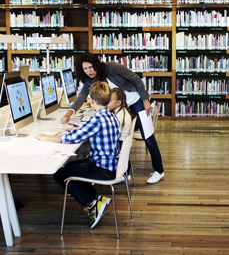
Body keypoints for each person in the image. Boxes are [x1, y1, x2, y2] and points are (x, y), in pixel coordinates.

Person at [60, 53, 164, 184]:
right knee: (117, 137)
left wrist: (145, 100)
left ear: (96, 65)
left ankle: (159, 170)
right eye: (85, 69)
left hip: (135, 100)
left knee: (148, 136)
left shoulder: (112, 67)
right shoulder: (89, 80)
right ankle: (123, 172)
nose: (89, 71)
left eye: (91, 67)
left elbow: (135, 78)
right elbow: (81, 96)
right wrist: (69, 113)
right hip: (119, 107)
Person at [36, 82, 120, 229]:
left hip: (102, 169)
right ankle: (96, 200)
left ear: (92, 101)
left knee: (59, 175)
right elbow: (88, 131)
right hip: (110, 165)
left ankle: (91, 203)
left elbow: (71, 139)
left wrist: (45, 137)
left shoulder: (97, 119)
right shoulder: (110, 115)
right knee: (69, 167)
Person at [107, 88, 133, 184]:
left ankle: (121, 173)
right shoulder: (120, 111)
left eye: (109, 101)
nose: (107, 103)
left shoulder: (119, 116)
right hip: (122, 143)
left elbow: (112, 135)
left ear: (118, 103)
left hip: (119, 144)